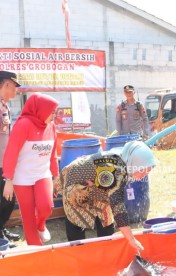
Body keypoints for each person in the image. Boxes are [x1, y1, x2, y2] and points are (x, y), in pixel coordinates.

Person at [55, 140, 156, 252]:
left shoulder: (126, 159)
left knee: (106, 221)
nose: (144, 175)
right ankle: (78, 255)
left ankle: (106, 252)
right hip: (76, 183)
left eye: (148, 172)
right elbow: (118, 208)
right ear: (135, 163)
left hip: (99, 184)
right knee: (76, 221)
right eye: (143, 171)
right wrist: (131, 239)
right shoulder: (115, 170)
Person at [3, 93, 59, 245]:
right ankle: (36, 251)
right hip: (22, 178)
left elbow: (53, 153)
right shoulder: (23, 125)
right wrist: (9, 180)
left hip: (42, 173)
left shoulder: (51, 127)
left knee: (46, 207)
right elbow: (11, 153)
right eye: (52, 112)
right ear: (41, 109)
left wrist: (56, 175)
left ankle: (40, 225)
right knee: (27, 218)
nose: (54, 116)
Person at [0, 71, 21, 243]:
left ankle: (1, 228)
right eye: (15, 86)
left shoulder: (4, 106)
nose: (16, 90)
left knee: (7, 200)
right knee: (4, 199)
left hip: (5, 163)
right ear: (6, 84)